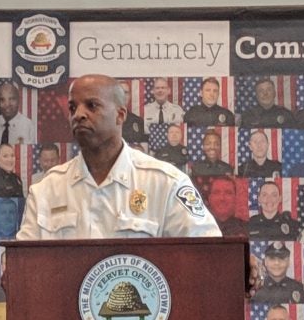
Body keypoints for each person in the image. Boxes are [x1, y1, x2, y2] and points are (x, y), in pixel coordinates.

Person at [16, 74, 221, 240]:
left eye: (92, 105)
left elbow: (208, 251)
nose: (78, 114)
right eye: (72, 107)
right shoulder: (47, 189)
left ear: (120, 115)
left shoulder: (166, 183)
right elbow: (24, 265)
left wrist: (242, 261)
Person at [0, 81, 36, 145]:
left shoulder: (28, 126)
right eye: (2, 100)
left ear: (18, 100)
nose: (7, 104)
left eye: (12, 99)